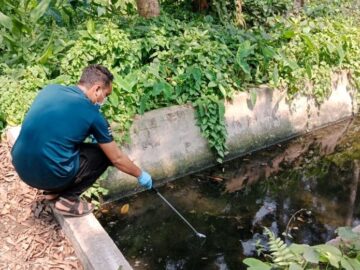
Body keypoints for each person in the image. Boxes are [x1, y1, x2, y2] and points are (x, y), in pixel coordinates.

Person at [11, 64, 152, 217]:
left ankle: (53, 192)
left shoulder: (50, 90)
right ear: (97, 89)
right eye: (106, 95)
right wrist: (140, 175)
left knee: (62, 146)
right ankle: (68, 200)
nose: (104, 100)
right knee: (103, 155)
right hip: (49, 176)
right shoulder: (94, 115)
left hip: (21, 168)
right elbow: (117, 158)